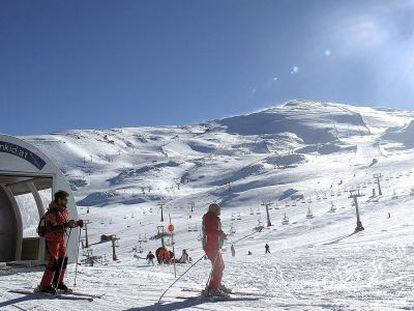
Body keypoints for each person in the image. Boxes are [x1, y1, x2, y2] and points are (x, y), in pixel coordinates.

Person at [38, 191, 84, 294]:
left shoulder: (63, 211)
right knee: (53, 261)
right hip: (52, 240)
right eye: (65, 199)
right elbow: (52, 228)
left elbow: (67, 225)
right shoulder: (51, 213)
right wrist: (67, 224)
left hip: (61, 239)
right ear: (59, 199)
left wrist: (76, 223)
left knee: (63, 260)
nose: (66, 201)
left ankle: (58, 282)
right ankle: (44, 285)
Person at [202, 203, 229, 298]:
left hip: (213, 246)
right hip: (211, 247)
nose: (220, 211)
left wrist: (221, 235)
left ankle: (215, 285)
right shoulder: (210, 218)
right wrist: (220, 233)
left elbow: (212, 231)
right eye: (218, 209)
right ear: (213, 210)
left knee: (220, 266)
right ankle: (214, 289)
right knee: (218, 267)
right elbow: (209, 232)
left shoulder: (212, 217)